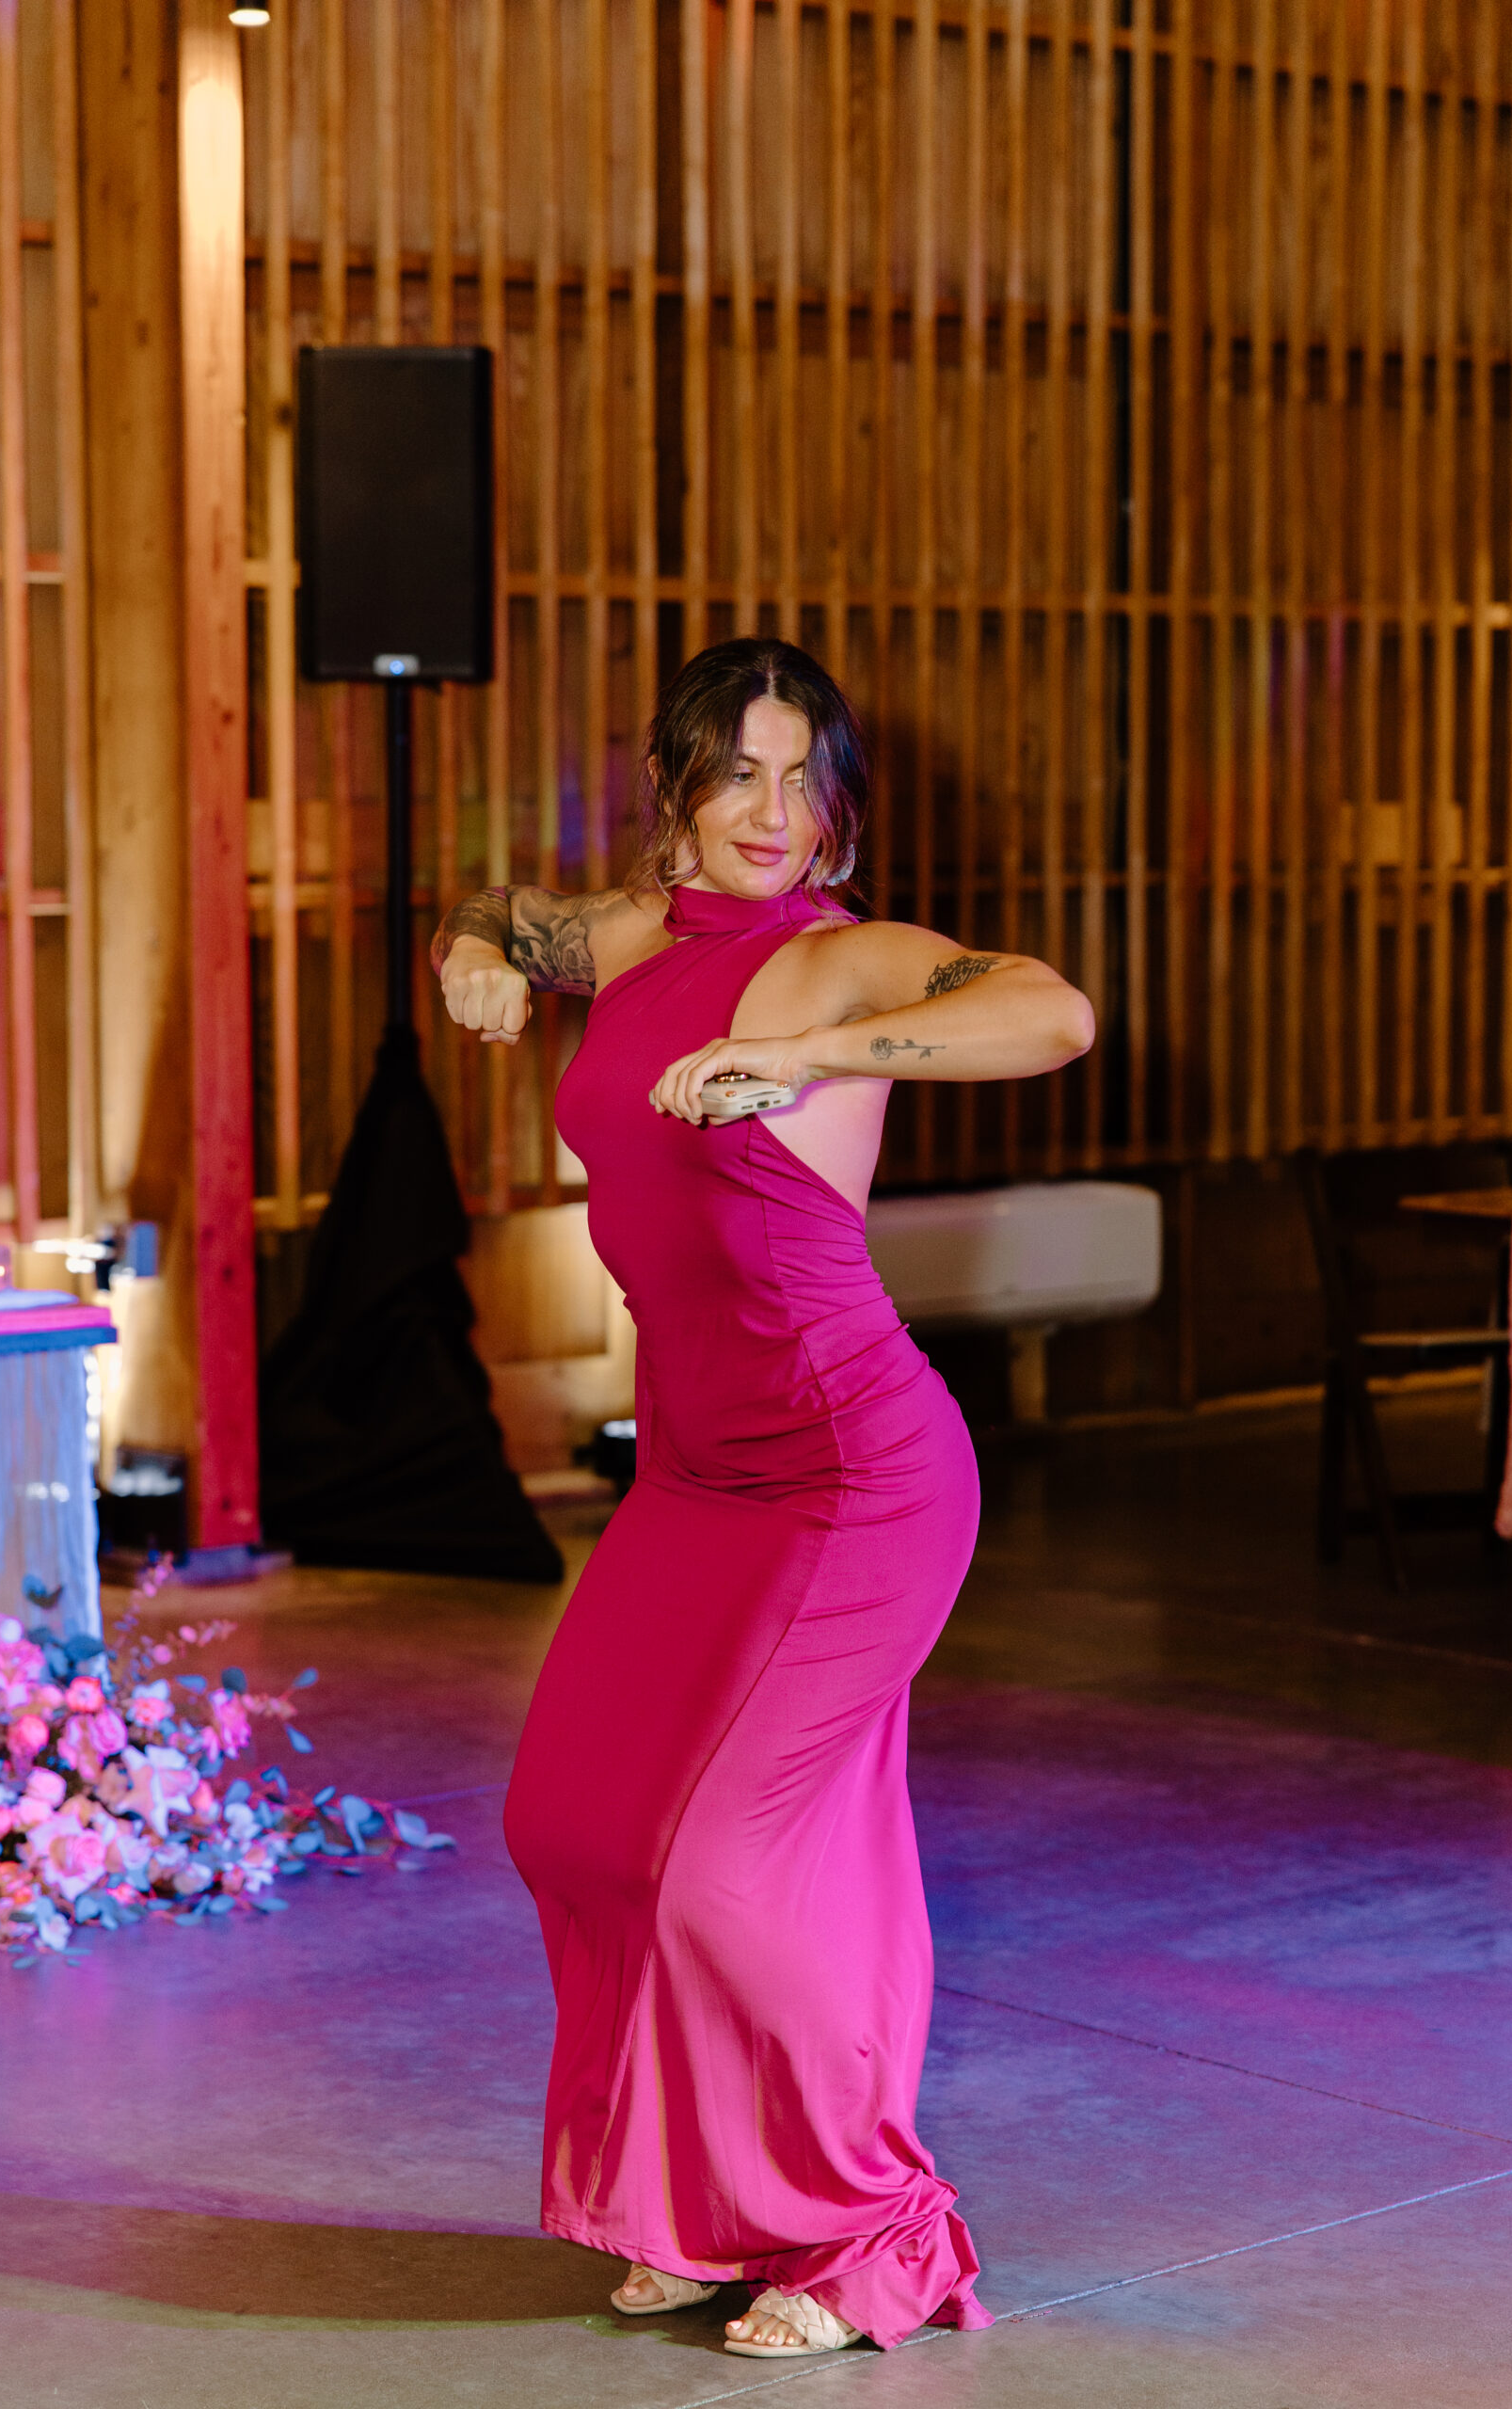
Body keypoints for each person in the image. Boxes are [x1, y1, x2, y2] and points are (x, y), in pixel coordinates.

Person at [433, 637, 1093, 2357]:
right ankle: (692, 2204)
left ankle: (868, 2229)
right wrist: (474, 950)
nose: (775, 812)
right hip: (699, 1476)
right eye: (740, 771)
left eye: (805, 778)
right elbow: (515, 911)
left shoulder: (836, 957)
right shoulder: (646, 933)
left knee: (724, 1865)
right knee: (572, 1824)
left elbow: (1050, 1008)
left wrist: (824, 1058)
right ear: (679, 791)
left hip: (854, 1473)